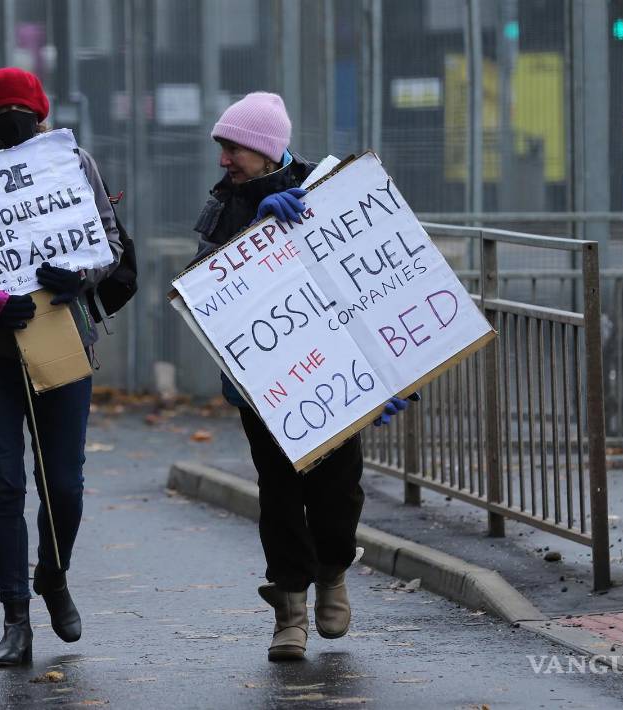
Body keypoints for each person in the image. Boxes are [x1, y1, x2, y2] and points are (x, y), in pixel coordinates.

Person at [191, 92, 415, 662]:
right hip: (262, 385)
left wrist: (393, 375)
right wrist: (253, 227)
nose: (224, 160)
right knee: (281, 495)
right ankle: (290, 610)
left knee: (337, 489)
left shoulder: (332, 192)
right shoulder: (225, 205)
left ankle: (333, 571)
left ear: (266, 151)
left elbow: (378, 283)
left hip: (337, 379)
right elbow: (204, 285)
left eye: (232, 148)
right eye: (221, 147)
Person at [0, 67, 122, 667]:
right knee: (3, 483)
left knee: (65, 483)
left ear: (42, 114)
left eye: (21, 115)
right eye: (2, 118)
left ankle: (54, 575)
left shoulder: (74, 165)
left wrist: (80, 275)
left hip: (62, 340)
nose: (13, 127)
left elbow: (110, 242)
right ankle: (15, 617)